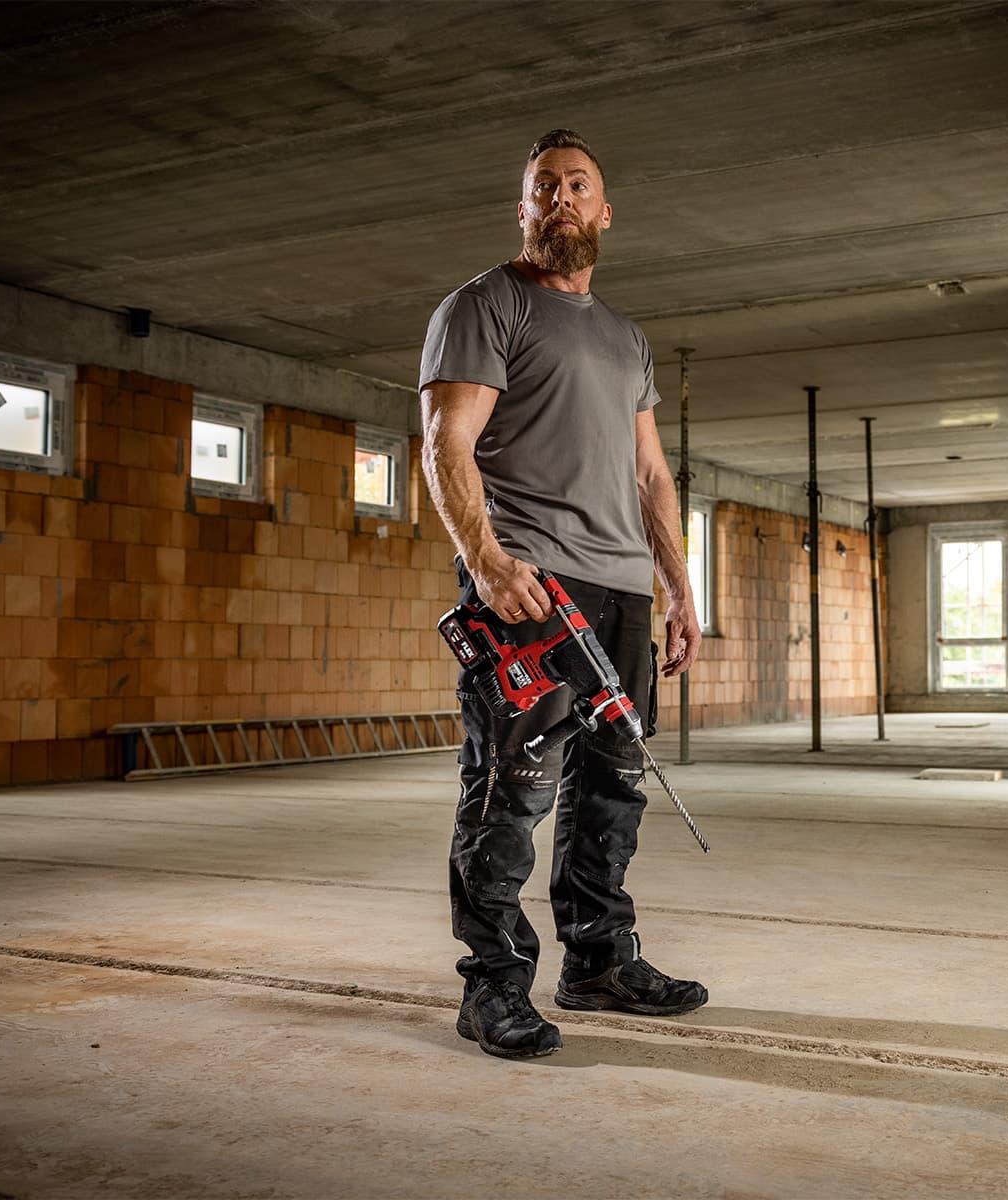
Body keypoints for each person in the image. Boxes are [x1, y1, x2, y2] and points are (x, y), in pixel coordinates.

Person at [415, 128, 709, 1059]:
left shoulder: (626, 336)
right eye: (546, 186)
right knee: (512, 789)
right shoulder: (483, 305)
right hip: (532, 585)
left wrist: (679, 588)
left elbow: (653, 476)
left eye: (579, 185)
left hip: (622, 589)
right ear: (524, 208)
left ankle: (597, 961)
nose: (563, 199)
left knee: (616, 787)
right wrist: (488, 562)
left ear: (605, 210)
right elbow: (445, 442)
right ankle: (493, 986)